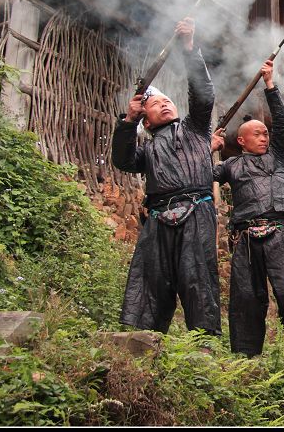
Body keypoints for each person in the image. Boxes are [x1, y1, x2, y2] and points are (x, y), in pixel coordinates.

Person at [210, 59, 284, 356]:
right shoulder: (229, 165)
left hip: (278, 232)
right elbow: (201, 176)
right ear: (241, 140)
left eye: (266, 133)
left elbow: (282, 122)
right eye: (258, 134)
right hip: (245, 238)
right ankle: (245, 355)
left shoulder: (277, 156)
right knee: (247, 297)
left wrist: (269, 84)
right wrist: (207, 149)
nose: (265, 136)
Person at [111, 17, 220, 335]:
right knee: (150, 283)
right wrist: (128, 121)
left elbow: (203, 96)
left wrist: (188, 49)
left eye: (168, 101)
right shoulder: (146, 148)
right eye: (156, 104)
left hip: (197, 211)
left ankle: (204, 347)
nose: (166, 104)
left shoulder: (196, 129)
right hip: (157, 219)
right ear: (147, 121)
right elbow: (123, 160)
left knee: (198, 279)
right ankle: (141, 345)